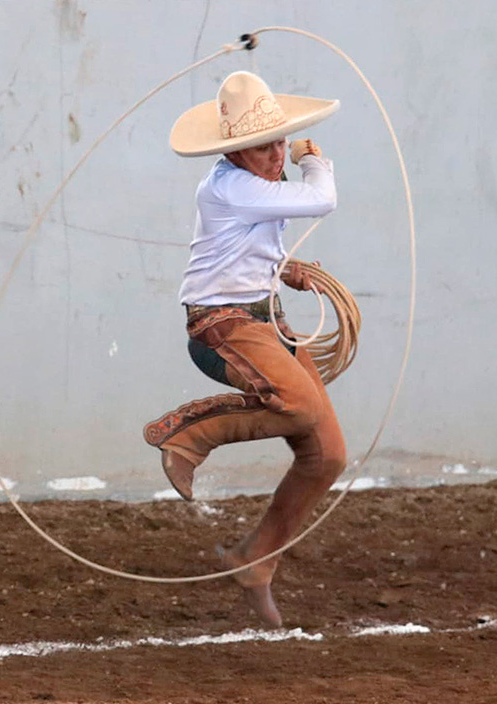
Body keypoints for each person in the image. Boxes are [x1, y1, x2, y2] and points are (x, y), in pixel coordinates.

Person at [143, 71, 346, 627]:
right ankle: (189, 436)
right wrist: (312, 156)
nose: (276, 155)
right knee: (300, 406)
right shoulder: (233, 186)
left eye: (281, 142)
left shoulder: (248, 185)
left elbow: (243, 247)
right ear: (234, 151)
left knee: (328, 455)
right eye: (263, 147)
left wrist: (283, 269)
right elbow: (322, 197)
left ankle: (256, 560)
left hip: (261, 319)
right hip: (223, 326)